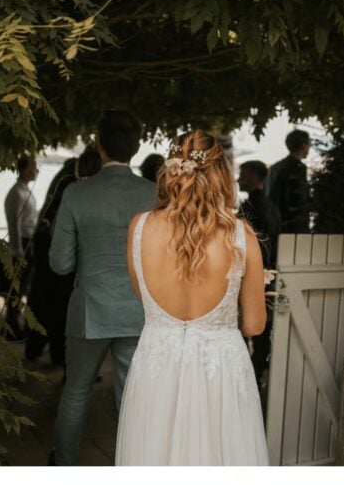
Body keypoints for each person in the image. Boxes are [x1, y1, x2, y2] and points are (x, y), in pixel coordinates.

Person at [116, 130, 269, 465]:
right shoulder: (240, 236)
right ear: (221, 175)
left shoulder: (139, 228)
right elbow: (255, 325)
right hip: (221, 370)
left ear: (171, 170)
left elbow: (145, 297)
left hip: (158, 363)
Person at [48, 111, 156, 466]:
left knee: (76, 392)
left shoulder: (77, 194)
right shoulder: (154, 195)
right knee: (131, 397)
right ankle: (130, 466)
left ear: (99, 146)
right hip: (138, 310)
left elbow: (59, 263)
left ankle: (64, 464)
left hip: (90, 310)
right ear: (137, 148)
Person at [25, 150, 102, 365]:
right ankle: (60, 356)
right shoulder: (71, 182)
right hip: (52, 247)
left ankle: (39, 349)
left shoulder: (65, 176)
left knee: (44, 301)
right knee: (58, 305)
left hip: (45, 245)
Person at [237, 160, 281, 401]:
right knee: (262, 331)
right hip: (268, 272)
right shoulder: (272, 206)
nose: (238, 178)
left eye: (242, 174)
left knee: (246, 327)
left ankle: (249, 375)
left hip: (252, 274)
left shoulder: (252, 207)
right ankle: (256, 374)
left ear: (254, 177)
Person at [3, 154, 38, 340]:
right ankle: (11, 325)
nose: (36, 171)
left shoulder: (26, 191)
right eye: (33, 167)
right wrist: (17, 250)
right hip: (22, 244)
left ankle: (16, 323)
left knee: (24, 287)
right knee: (17, 288)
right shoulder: (16, 193)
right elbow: (14, 223)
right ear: (25, 169)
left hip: (29, 241)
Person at [266, 129, 312, 233]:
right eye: (309, 144)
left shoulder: (276, 167)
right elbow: (300, 199)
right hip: (293, 226)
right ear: (303, 145)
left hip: (276, 223)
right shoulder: (298, 168)